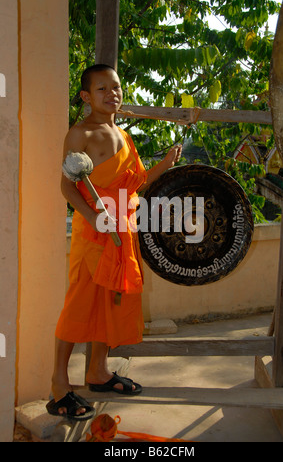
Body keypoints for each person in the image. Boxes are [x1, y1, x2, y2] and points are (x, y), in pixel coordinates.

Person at [46, 64, 182, 420]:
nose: (113, 94)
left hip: (121, 229)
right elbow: (67, 185)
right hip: (95, 231)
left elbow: (134, 183)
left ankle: (98, 373)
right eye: (102, 89)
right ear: (86, 96)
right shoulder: (80, 133)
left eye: (117, 88)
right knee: (80, 304)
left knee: (111, 302)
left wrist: (166, 163)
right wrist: (92, 217)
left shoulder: (122, 134)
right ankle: (59, 386)